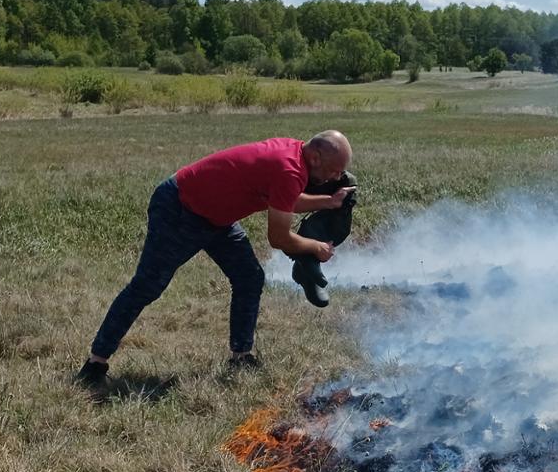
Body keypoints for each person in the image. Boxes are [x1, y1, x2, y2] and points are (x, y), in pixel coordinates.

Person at [75, 131, 355, 387]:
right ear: (315, 157)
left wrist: (328, 202)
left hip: (216, 219)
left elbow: (285, 198)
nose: (335, 178)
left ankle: (240, 356)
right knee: (147, 286)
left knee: (249, 277)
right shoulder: (289, 169)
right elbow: (279, 238)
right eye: (334, 170)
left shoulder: (294, 154)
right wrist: (316, 248)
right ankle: (95, 365)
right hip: (180, 209)